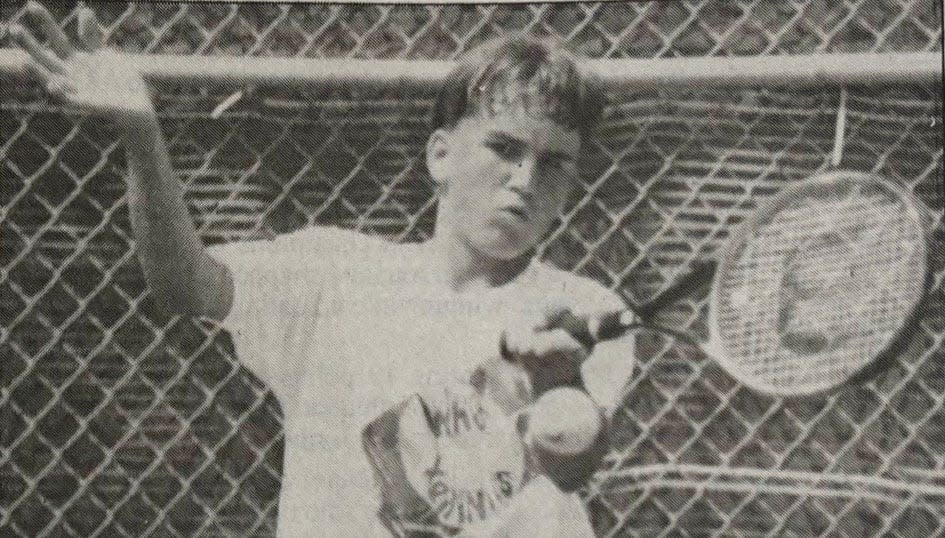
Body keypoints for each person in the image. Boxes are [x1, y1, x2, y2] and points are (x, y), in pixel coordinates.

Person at [12, 3, 636, 536]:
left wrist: (561, 381)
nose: (524, 180)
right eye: (504, 148)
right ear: (440, 155)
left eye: (553, 164)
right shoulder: (334, 272)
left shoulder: (580, 308)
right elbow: (185, 285)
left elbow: (571, 465)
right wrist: (142, 137)